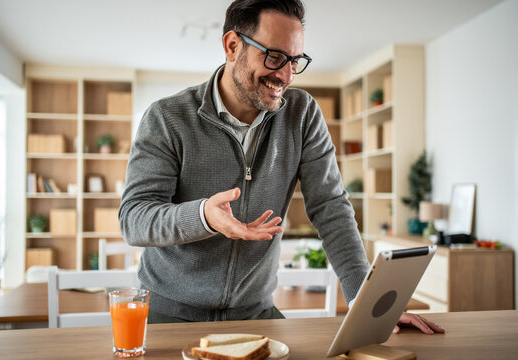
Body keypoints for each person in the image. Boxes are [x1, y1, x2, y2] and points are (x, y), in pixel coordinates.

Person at [119, 0, 444, 334]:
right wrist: (203, 216)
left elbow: (331, 208)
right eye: (274, 57)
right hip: (169, 316)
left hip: (255, 314)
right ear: (232, 46)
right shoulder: (167, 118)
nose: (286, 75)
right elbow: (134, 218)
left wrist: (368, 303)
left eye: (295, 60)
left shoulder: (302, 115)